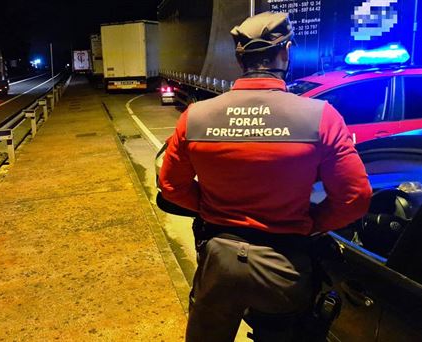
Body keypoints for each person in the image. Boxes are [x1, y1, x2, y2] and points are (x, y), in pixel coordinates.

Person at [158, 11, 372, 342]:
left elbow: (171, 187)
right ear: (285, 51)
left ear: (239, 58)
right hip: (285, 266)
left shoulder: (196, 116)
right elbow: (355, 198)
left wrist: (207, 208)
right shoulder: (321, 117)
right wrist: (312, 222)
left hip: (219, 262)